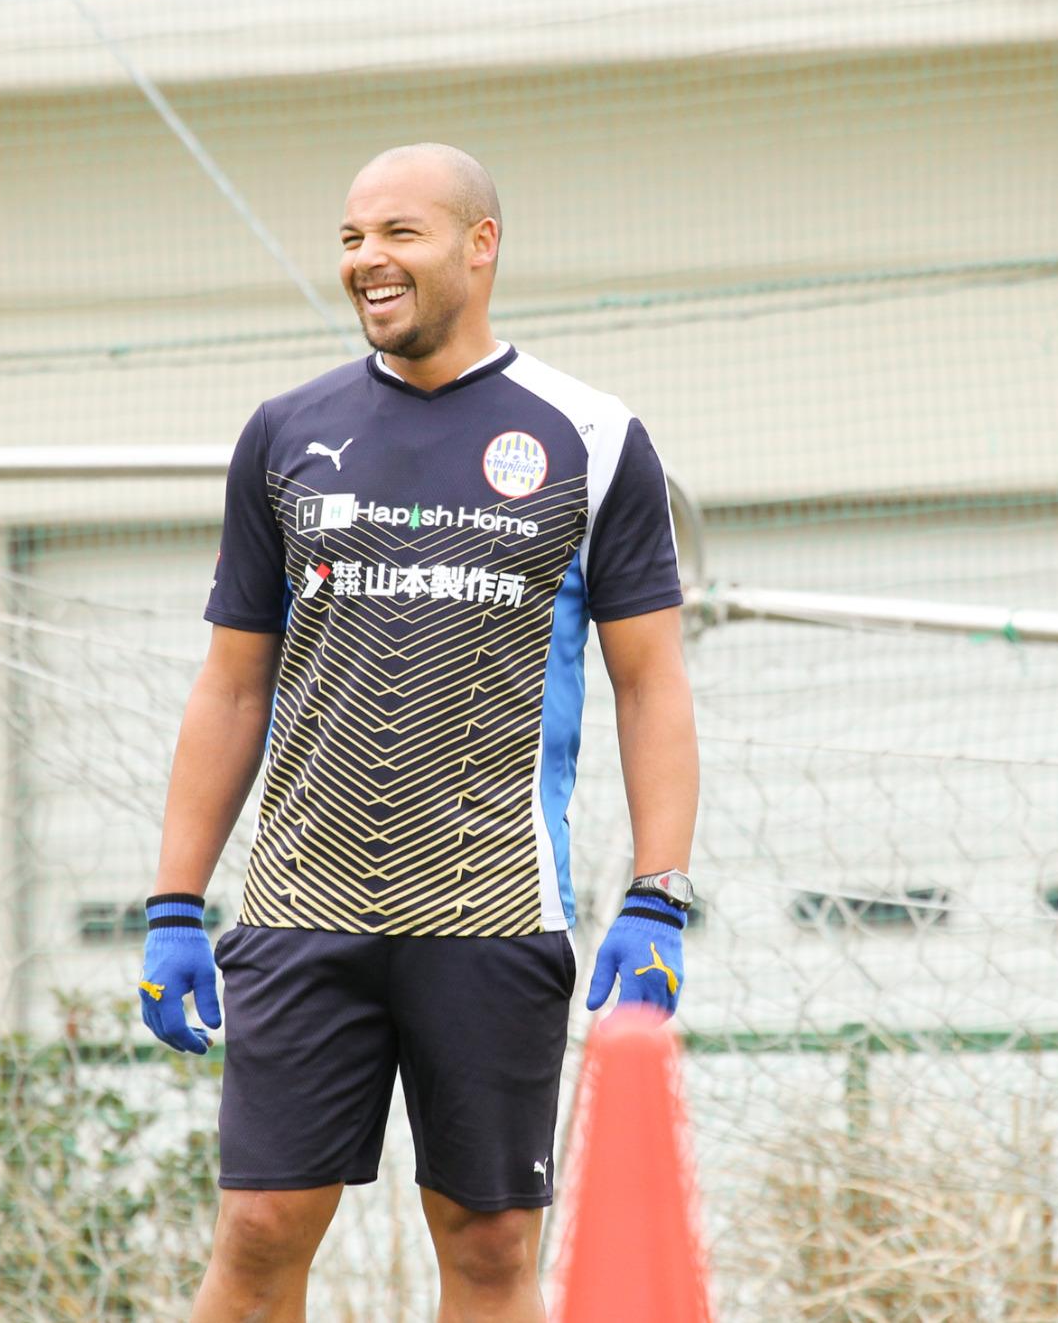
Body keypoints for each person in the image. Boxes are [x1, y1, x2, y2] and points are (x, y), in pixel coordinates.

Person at [137, 142, 699, 1323]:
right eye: (349, 238)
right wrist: (174, 904)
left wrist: (657, 892)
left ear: (478, 245)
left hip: (491, 903)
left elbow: (649, 685)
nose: (365, 261)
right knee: (255, 1230)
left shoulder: (593, 441)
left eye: (397, 233)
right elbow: (233, 686)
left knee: (491, 1249)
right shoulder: (284, 434)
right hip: (303, 899)